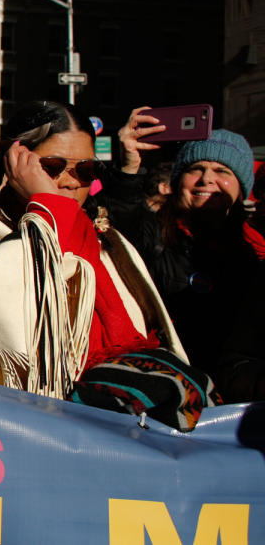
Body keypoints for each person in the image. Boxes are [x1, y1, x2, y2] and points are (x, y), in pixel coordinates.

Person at [0, 101, 212, 431]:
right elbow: (6, 338)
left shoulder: (107, 236)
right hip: (32, 433)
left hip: (130, 431)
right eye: (52, 166)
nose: (69, 181)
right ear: (14, 161)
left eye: (86, 170)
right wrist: (47, 206)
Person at [108, 107, 264, 398]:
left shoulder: (256, 251)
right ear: (177, 182)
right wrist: (128, 168)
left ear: (242, 189)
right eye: (195, 169)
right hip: (161, 394)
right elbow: (121, 217)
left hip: (231, 404)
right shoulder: (151, 235)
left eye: (222, 171)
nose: (206, 179)